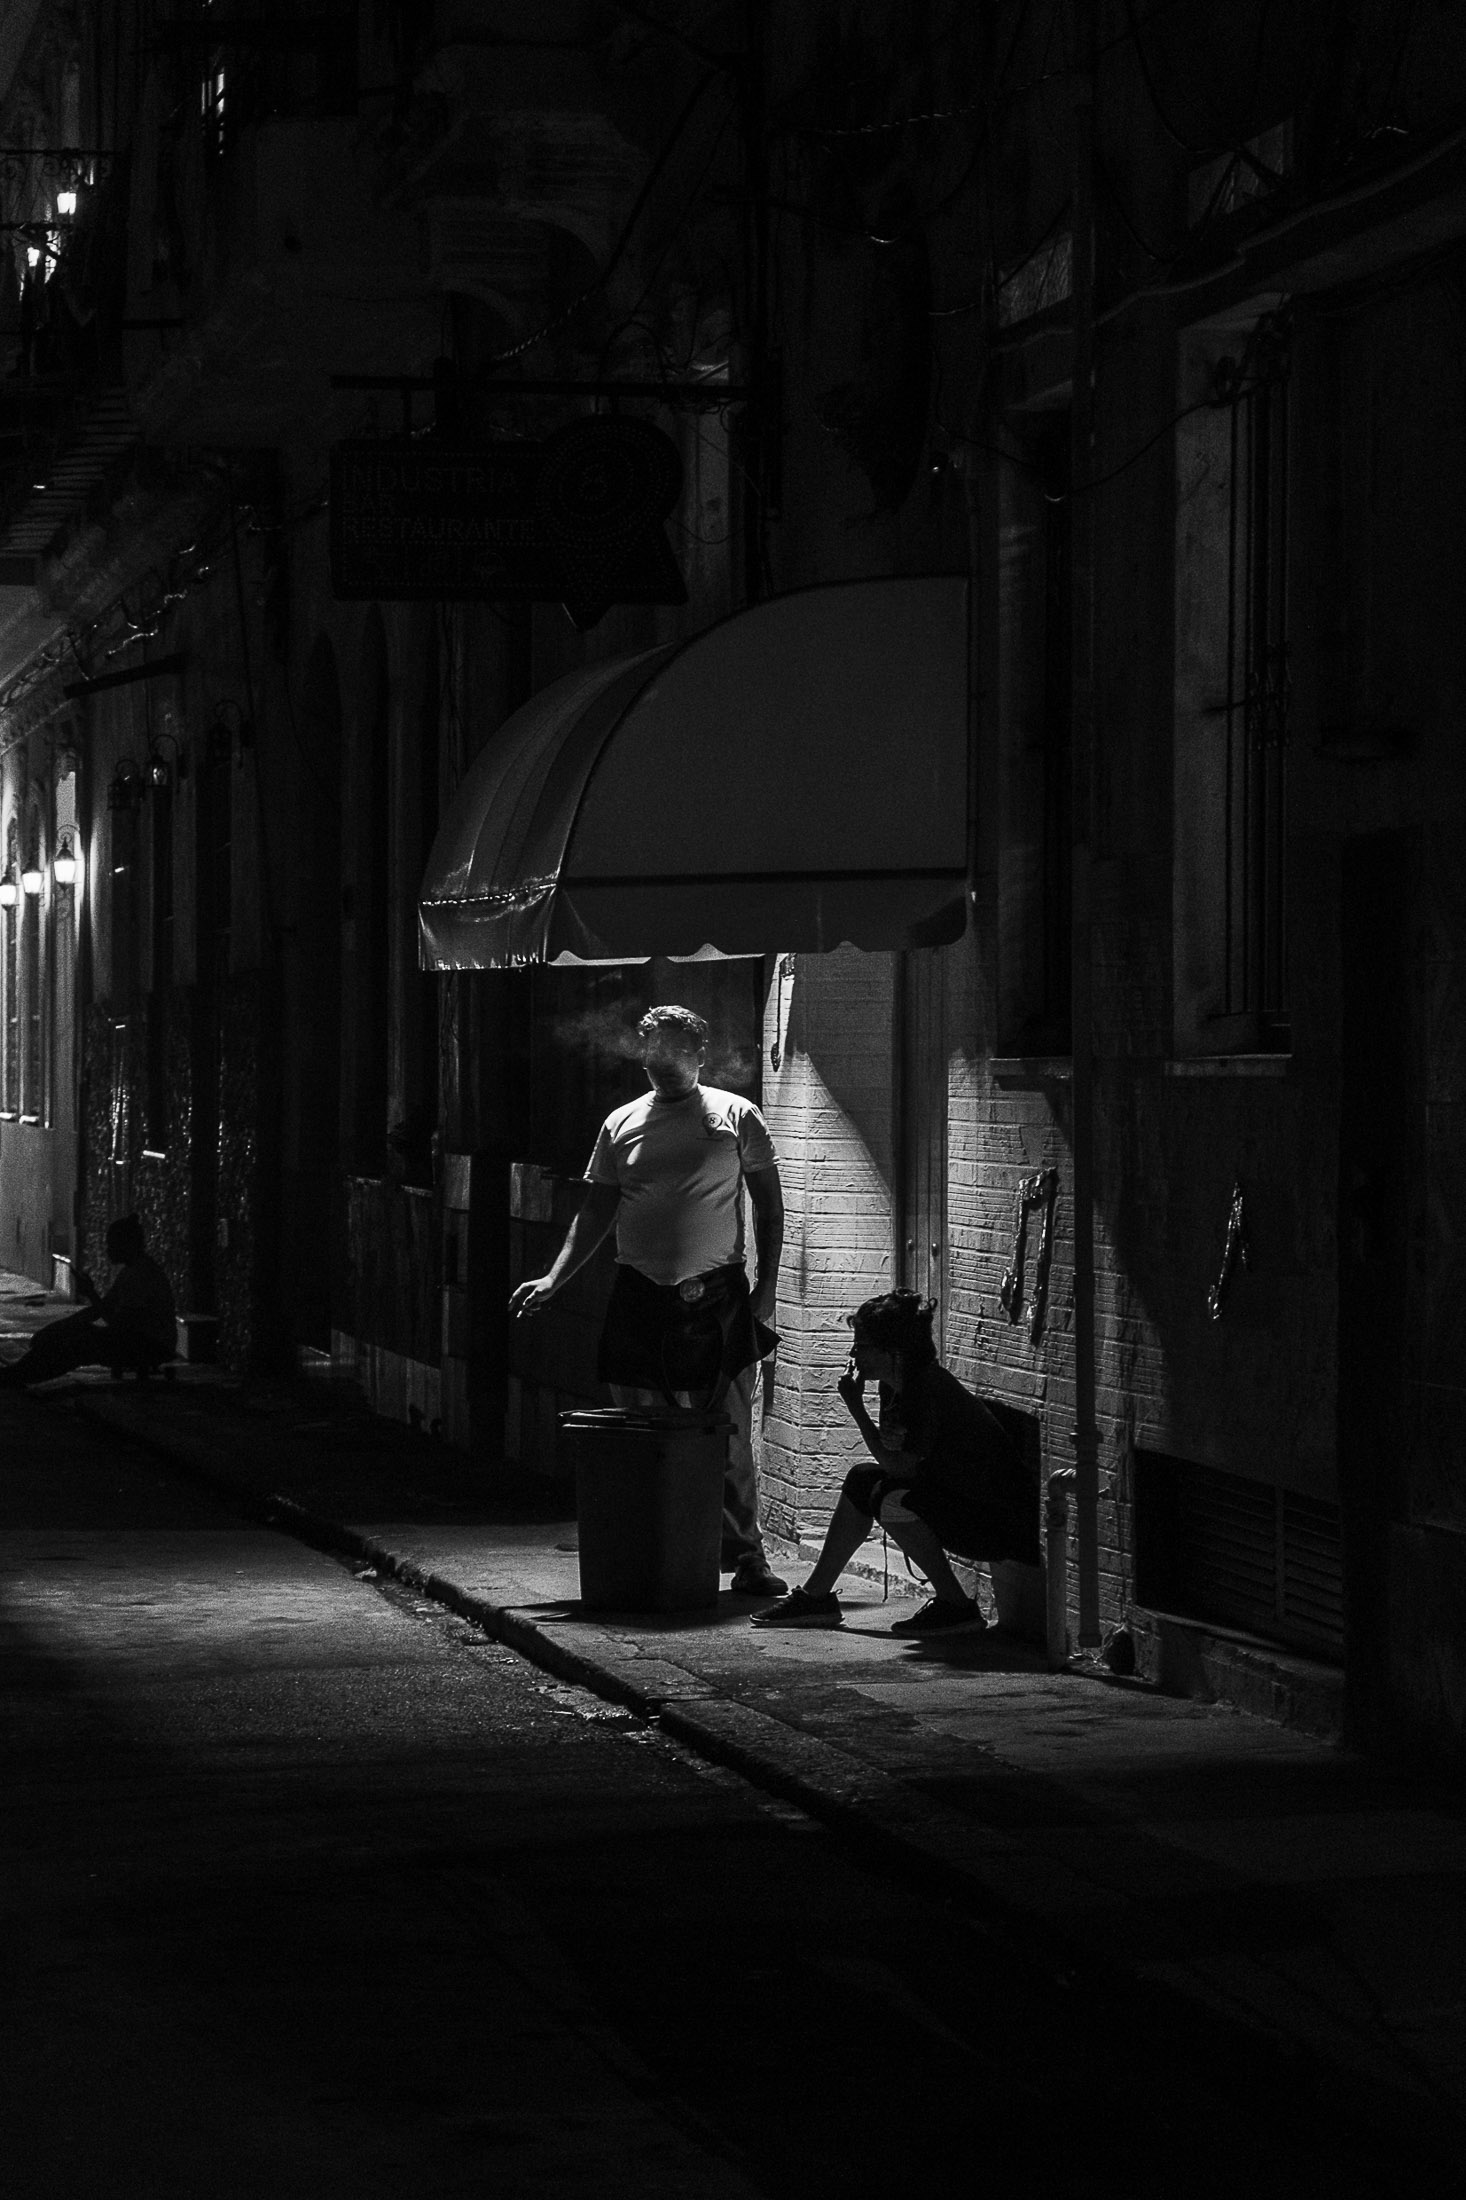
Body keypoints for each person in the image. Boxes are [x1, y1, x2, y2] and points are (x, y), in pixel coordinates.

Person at [510, 1003, 789, 1596]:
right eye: (653, 1048)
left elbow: (769, 1206)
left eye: (676, 1048)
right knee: (639, 1431)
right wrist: (554, 1280)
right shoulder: (621, 1123)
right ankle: (654, 1548)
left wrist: (766, 1289)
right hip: (640, 1293)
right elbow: (595, 1212)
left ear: (699, 1053)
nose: (664, 1058)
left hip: (717, 1293)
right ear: (642, 1055)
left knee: (729, 1434)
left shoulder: (736, 1115)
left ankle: (747, 1559)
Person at [753, 1288, 1039, 1635]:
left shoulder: (926, 1388)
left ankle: (956, 1605)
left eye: (863, 1346)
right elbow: (892, 1456)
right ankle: (816, 1595)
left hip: (993, 1520)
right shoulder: (894, 1386)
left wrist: (857, 1411)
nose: (855, 1355)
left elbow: (900, 1468)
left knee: (890, 1499)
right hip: (953, 1494)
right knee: (862, 1480)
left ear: (894, 1351)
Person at [0, 1214, 177, 1388]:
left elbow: (120, 1325)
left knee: (78, 1345)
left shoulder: (141, 1275)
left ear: (127, 1245)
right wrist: (60, 1327)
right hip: (135, 1339)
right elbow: (100, 1310)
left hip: (151, 1345)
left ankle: (18, 1375)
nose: (108, 1250)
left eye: (112, 1245)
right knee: (72, 1333)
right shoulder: (131, 1272)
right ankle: (18, 1373)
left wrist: (90, 1295)